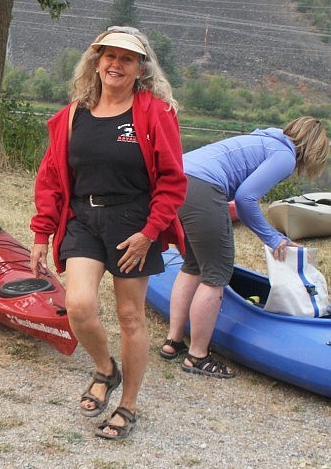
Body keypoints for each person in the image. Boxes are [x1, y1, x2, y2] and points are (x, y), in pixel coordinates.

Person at [30, 26, 187, 440]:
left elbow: (173, 181)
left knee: (131, 316)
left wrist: (150, 232)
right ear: (96, 62)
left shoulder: (155, 113)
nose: (116, 65)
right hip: (83, 218)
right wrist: (42, 233)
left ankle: (129, 405)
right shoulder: (72, 116)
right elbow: (50, 178)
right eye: (109, 56)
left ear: (140, 68)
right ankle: (105, 368)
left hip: (133, 223)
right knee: (78, 305)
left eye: (127, 58)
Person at [160, 116, 329, 375]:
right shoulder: (285, 155)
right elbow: (246, 199)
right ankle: (197, 356)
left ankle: (173, 342)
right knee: (217, 274)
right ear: (314, 149)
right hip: (203, 187)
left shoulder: (263, 140)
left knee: (193, 265)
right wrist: (273, 238)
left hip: (178, 180)